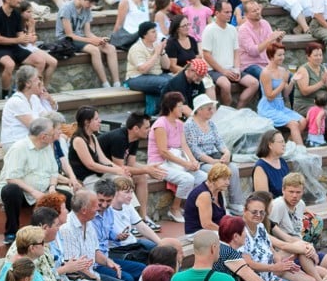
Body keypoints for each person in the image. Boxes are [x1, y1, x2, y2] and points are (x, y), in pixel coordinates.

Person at [0, 118, 63, 244]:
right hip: (22, 193)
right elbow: (12, 178)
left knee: (66, 197)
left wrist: (52, 187)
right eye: (52, 132)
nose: (55, 135)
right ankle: (11, 233)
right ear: (43, 136)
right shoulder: (19, 148)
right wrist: (33, 192)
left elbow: (54, 172)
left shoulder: (47, 147)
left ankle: (58, 233)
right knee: (11, 190)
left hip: (42, 191)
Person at [99, 112, 167, 229]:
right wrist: (146, 169)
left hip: (115, 170)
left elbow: (131, 163)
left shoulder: (134, 138)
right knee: (126, 179)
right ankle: (132, 222)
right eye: (146, 128)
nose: (149, 130)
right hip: (100, 172)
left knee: (141, 177)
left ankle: (143, 217)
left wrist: (148, 168)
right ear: (136, 128)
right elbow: (121, 168)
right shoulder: (119, 138)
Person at [148, 92, 207, 222]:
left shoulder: (180, 124)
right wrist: (186, 164)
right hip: (159, 163)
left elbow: (184, 146)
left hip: (176, 161)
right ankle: (174, 208)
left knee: (203, 177)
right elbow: (163, 152)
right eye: (180, 106)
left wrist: (193, 161)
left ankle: (189, 206)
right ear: (171, 107)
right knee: (187, 179)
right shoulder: (160, 124)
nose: (183, 109)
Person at [55, 0, 120, 87]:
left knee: (110, 48)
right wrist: (91, 41)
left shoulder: (87, 9)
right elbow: (69, 35)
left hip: (80, 38)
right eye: (89, 2)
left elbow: (88, 33)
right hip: (66, 40)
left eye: (93, 3)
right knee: (94, 50)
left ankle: (117, 83)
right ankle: (105, 83)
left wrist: (99, 39)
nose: (91, 5)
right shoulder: (66, 8)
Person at [201, 0, 258, 108]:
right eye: (226, 12)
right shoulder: (209, 30)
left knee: (254, 83)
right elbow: (206, 55)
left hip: (231, 68)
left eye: (231, 12)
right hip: (213, 70)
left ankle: (238, 109)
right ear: (217, 13)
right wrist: (223, 71)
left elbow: (236, 52)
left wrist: (236, 69)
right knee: (226, 85)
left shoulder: (232, 29)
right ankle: (226, 110)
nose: (229, 15)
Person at [293, 42, 327, 136]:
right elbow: (304, 91)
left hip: (322, 103)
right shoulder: (303, 70)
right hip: (306, 104)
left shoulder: (323, 68)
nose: (319, 57)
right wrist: (321, 82)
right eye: (315, 55)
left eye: (320, 55)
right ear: (308, 56)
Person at [257, 44, 305, 145]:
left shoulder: (283, 70)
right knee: (293, 124)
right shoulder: (265, 73)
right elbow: (269, 96)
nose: (282, 57)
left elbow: (286, 93)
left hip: (280, 106)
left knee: (303, 121)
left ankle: (288, 146)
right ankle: (302, 151)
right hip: (268, 107)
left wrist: (292, 81)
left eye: (283, 54)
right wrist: (283, 82)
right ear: (271, 56)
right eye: (279, 55)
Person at [125, 21, 171, 99]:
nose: (156, 34)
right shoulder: (136, 48)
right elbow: (143, 70)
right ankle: (161, 109)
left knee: (177, 81)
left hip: (156, 75)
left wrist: (162, 52)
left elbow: (166, 66)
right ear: (144, 35)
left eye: (156, 31)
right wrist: (156, 54)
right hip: (137, 77)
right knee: (165, 83)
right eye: (153, 32)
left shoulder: (156, 45)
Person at [183, 163, 231, 234]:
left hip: (212, 229)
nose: (228, 183)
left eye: (228, 179)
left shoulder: (218, 190)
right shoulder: (204, 195)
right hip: (198, 232)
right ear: (213, 179)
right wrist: (225, 232)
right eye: (224, 179)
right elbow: (206, 224)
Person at [253, 129, 291, 197]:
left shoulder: (282, 162)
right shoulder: (261, 167)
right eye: (280, 142)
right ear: (270, 145)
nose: (284, 145)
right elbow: (263, 198)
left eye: (284, 141)